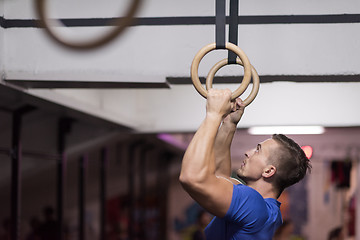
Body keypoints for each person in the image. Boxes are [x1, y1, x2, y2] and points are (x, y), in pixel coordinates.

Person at [179, 89, 311, 240]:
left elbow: (191, 177)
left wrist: (213, 114)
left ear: (268, 171)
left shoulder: (254, 205)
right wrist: (229, 124)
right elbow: (220, 177)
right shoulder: (268, 210)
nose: (248, 152)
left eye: (258, 150)